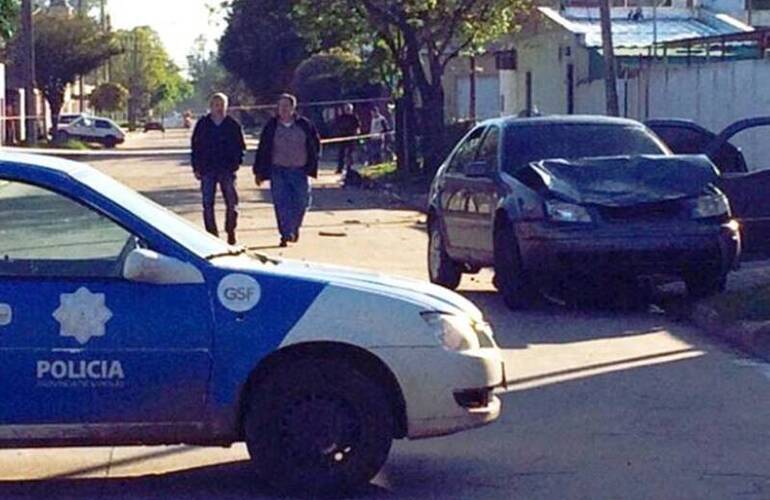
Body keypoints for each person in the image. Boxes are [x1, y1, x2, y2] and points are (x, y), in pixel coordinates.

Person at [254, 94, 321, 247]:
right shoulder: (271, 126)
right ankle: (285, 233)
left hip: (299, 170)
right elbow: (262, 149)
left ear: (293, 108)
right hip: (278, 170)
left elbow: (315, 144)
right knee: (281, 203)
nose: (283, 109)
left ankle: (294, 227)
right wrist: (259, 171)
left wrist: (313, 163)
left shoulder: (304, 125)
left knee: (302, 201)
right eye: (281, 106)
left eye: (286, 106)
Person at [191, 93, 246, 245]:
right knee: (208, 203)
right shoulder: (203, 124)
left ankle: (230, 231)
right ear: (210, 106)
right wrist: (196, 167)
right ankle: (212, 235)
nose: (218, 108)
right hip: (207, 169)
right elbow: (195, 147)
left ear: (226, 106)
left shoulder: (232, 125)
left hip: (227, 170)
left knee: (231, 202)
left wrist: (236, 163)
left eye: (222, 104)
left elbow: (241, 147)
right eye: (216, 104)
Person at [333, 103, 361, 174]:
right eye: (346, 108)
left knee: (350, 154)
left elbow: (358, 127)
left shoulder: (354, 117)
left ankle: (349, 169)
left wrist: (357, 134)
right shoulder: (341, 117)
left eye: (349, 109)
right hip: (342, 137)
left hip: (351, 138)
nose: (347, 110)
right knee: (341, 154)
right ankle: (340, 169)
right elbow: (337, 125)